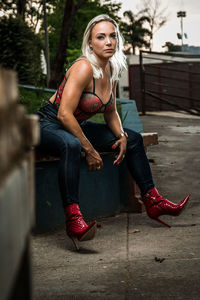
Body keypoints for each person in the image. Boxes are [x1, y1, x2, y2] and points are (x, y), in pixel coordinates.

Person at [36, 14, 189, 250]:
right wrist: (89, 149)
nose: (108, 41)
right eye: (101, 37)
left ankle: (153, 201)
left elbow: (110, 112)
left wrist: (121, 136)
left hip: (75, 125)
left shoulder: (112, 68)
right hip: (48, 123)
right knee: (73, 145)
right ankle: (74, 219)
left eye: (112, 36)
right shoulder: (83, 67)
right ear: (90, 43)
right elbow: (64, 114)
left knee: (134, 139)